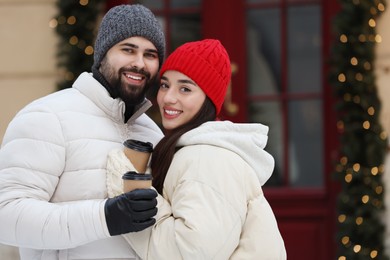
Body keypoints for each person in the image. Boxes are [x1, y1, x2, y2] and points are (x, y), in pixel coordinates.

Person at [0, 4, 165, 260]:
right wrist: (105, 217)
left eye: (150, 54)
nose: (139, 63)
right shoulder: (48, 116)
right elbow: (6, 216)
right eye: (128, 50)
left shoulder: (153, 133)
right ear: (102, 54)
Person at [107, 39, 287, 259]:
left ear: (208, 99)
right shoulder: (195, 151)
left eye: (185, 88)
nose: (168, 98)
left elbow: (189, 253)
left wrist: (130, 192)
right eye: (165, 85)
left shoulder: (205, 159)